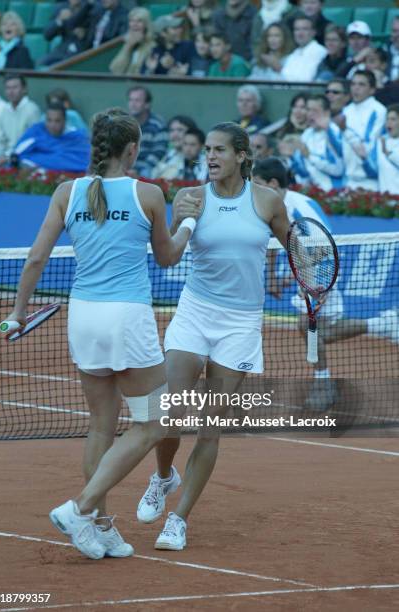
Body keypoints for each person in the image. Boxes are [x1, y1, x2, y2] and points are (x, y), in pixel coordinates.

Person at [3, 108, 198, 560]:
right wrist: (188, 223)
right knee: (153, 422)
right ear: (131, 150)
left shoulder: (65, 192)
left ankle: (103, 528)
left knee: (101, 426)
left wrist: (17, 312)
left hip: (84, 319)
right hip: (127, 321)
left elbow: (35, 258)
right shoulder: (148, 193)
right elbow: (168, 258)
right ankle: (83, 509)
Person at [136, 122, 292, 551]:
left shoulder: (268, 202)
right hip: (195, 313)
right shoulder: (191, 198)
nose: (211, 156)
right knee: (170, 411)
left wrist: (309, 271)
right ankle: (163, 476)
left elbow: (294, 247)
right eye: (208, 149)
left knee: (210, 427)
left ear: (242, 155)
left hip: (240, 325)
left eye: (220, 149)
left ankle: (179, 519)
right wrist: (182, 221)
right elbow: (170, 254)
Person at [251, 156, 399, 410]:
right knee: (317, 331)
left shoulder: (301, 208)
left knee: (308, 327)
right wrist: (276, 278)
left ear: (273, 183)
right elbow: (274, 243)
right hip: (306, 270)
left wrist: (317, 285)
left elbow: (325, 250)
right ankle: (382, 324)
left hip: (324, 267)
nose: (252, 187)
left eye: (257, 182)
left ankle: (324, 384)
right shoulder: (269, 203)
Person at [341, 70, 387, 191]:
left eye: (361, 84)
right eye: (353, 84)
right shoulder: (346, 110)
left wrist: (346, 131)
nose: (356, 88)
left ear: (372, 89)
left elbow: (369, 146)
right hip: (347, 179)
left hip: (370, 180)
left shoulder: (378, 110)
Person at [13, 103, 90, 173]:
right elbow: (17, 154)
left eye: (57, 121)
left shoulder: (78, 137)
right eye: (49, 120)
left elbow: (85, 162)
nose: (52, 125)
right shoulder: (37, 131)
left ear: (64, 120)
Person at [290, 94, 344, 190]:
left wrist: (310, 157)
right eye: (308, 109)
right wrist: (292, 158)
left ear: (326, 113)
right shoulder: (307, 133)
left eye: (314, 110)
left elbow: (338, 169)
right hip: (310, 191)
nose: (309, 114)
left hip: (332, 192)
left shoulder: (335, 133)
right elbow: (304, 173)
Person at [0, 74, 41, 165]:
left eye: (15, 87)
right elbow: (2, 141)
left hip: (24, 158)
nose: (11, 91)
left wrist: (7, 157)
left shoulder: (32, 109)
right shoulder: (4, 110)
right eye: (8, 88)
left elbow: (33, 142)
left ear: (24, 89)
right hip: (6, 157)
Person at [127, 86, 168, 178]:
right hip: (126, 167)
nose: (133, 104)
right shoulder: (124, 123)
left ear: (147, 104)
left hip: (148, 168)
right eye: (131, 100)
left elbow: (159, 152)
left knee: (147, 172)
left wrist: (137, 172)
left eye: (137, 100)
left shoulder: (158, 124)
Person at [39, 0, 91, 67]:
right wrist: (59, 20)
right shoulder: (62, 8)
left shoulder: (90, 7)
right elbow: (47, 35)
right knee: (41, 63)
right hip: (61, 50)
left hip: (81, 52)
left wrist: (86, 33)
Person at [363, 104, 399, 195]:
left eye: (393, 119)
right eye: (387, 119)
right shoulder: (380, 141)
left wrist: (389, 155)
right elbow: (373, 170)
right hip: (385, 198)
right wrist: (364, 159)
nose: (388, 122)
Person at [109, 7, 155, 76]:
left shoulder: (152, 46)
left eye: (139, 21)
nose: (134, 24)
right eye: (131, 21)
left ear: (146, 25)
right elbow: (115, 70)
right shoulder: (128, 43)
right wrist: (128, 47)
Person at [281, 16, 327, 82]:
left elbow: (306, 79)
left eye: (305, 29)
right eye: (297, 29)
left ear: (313, 32)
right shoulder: (294, 53)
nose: (300, 33)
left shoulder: (319, 51)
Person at [151, 115, 197, 179]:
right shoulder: (168, 155)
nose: (175, 135)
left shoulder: (197, 159)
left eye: (180, 130)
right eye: (172, 130)